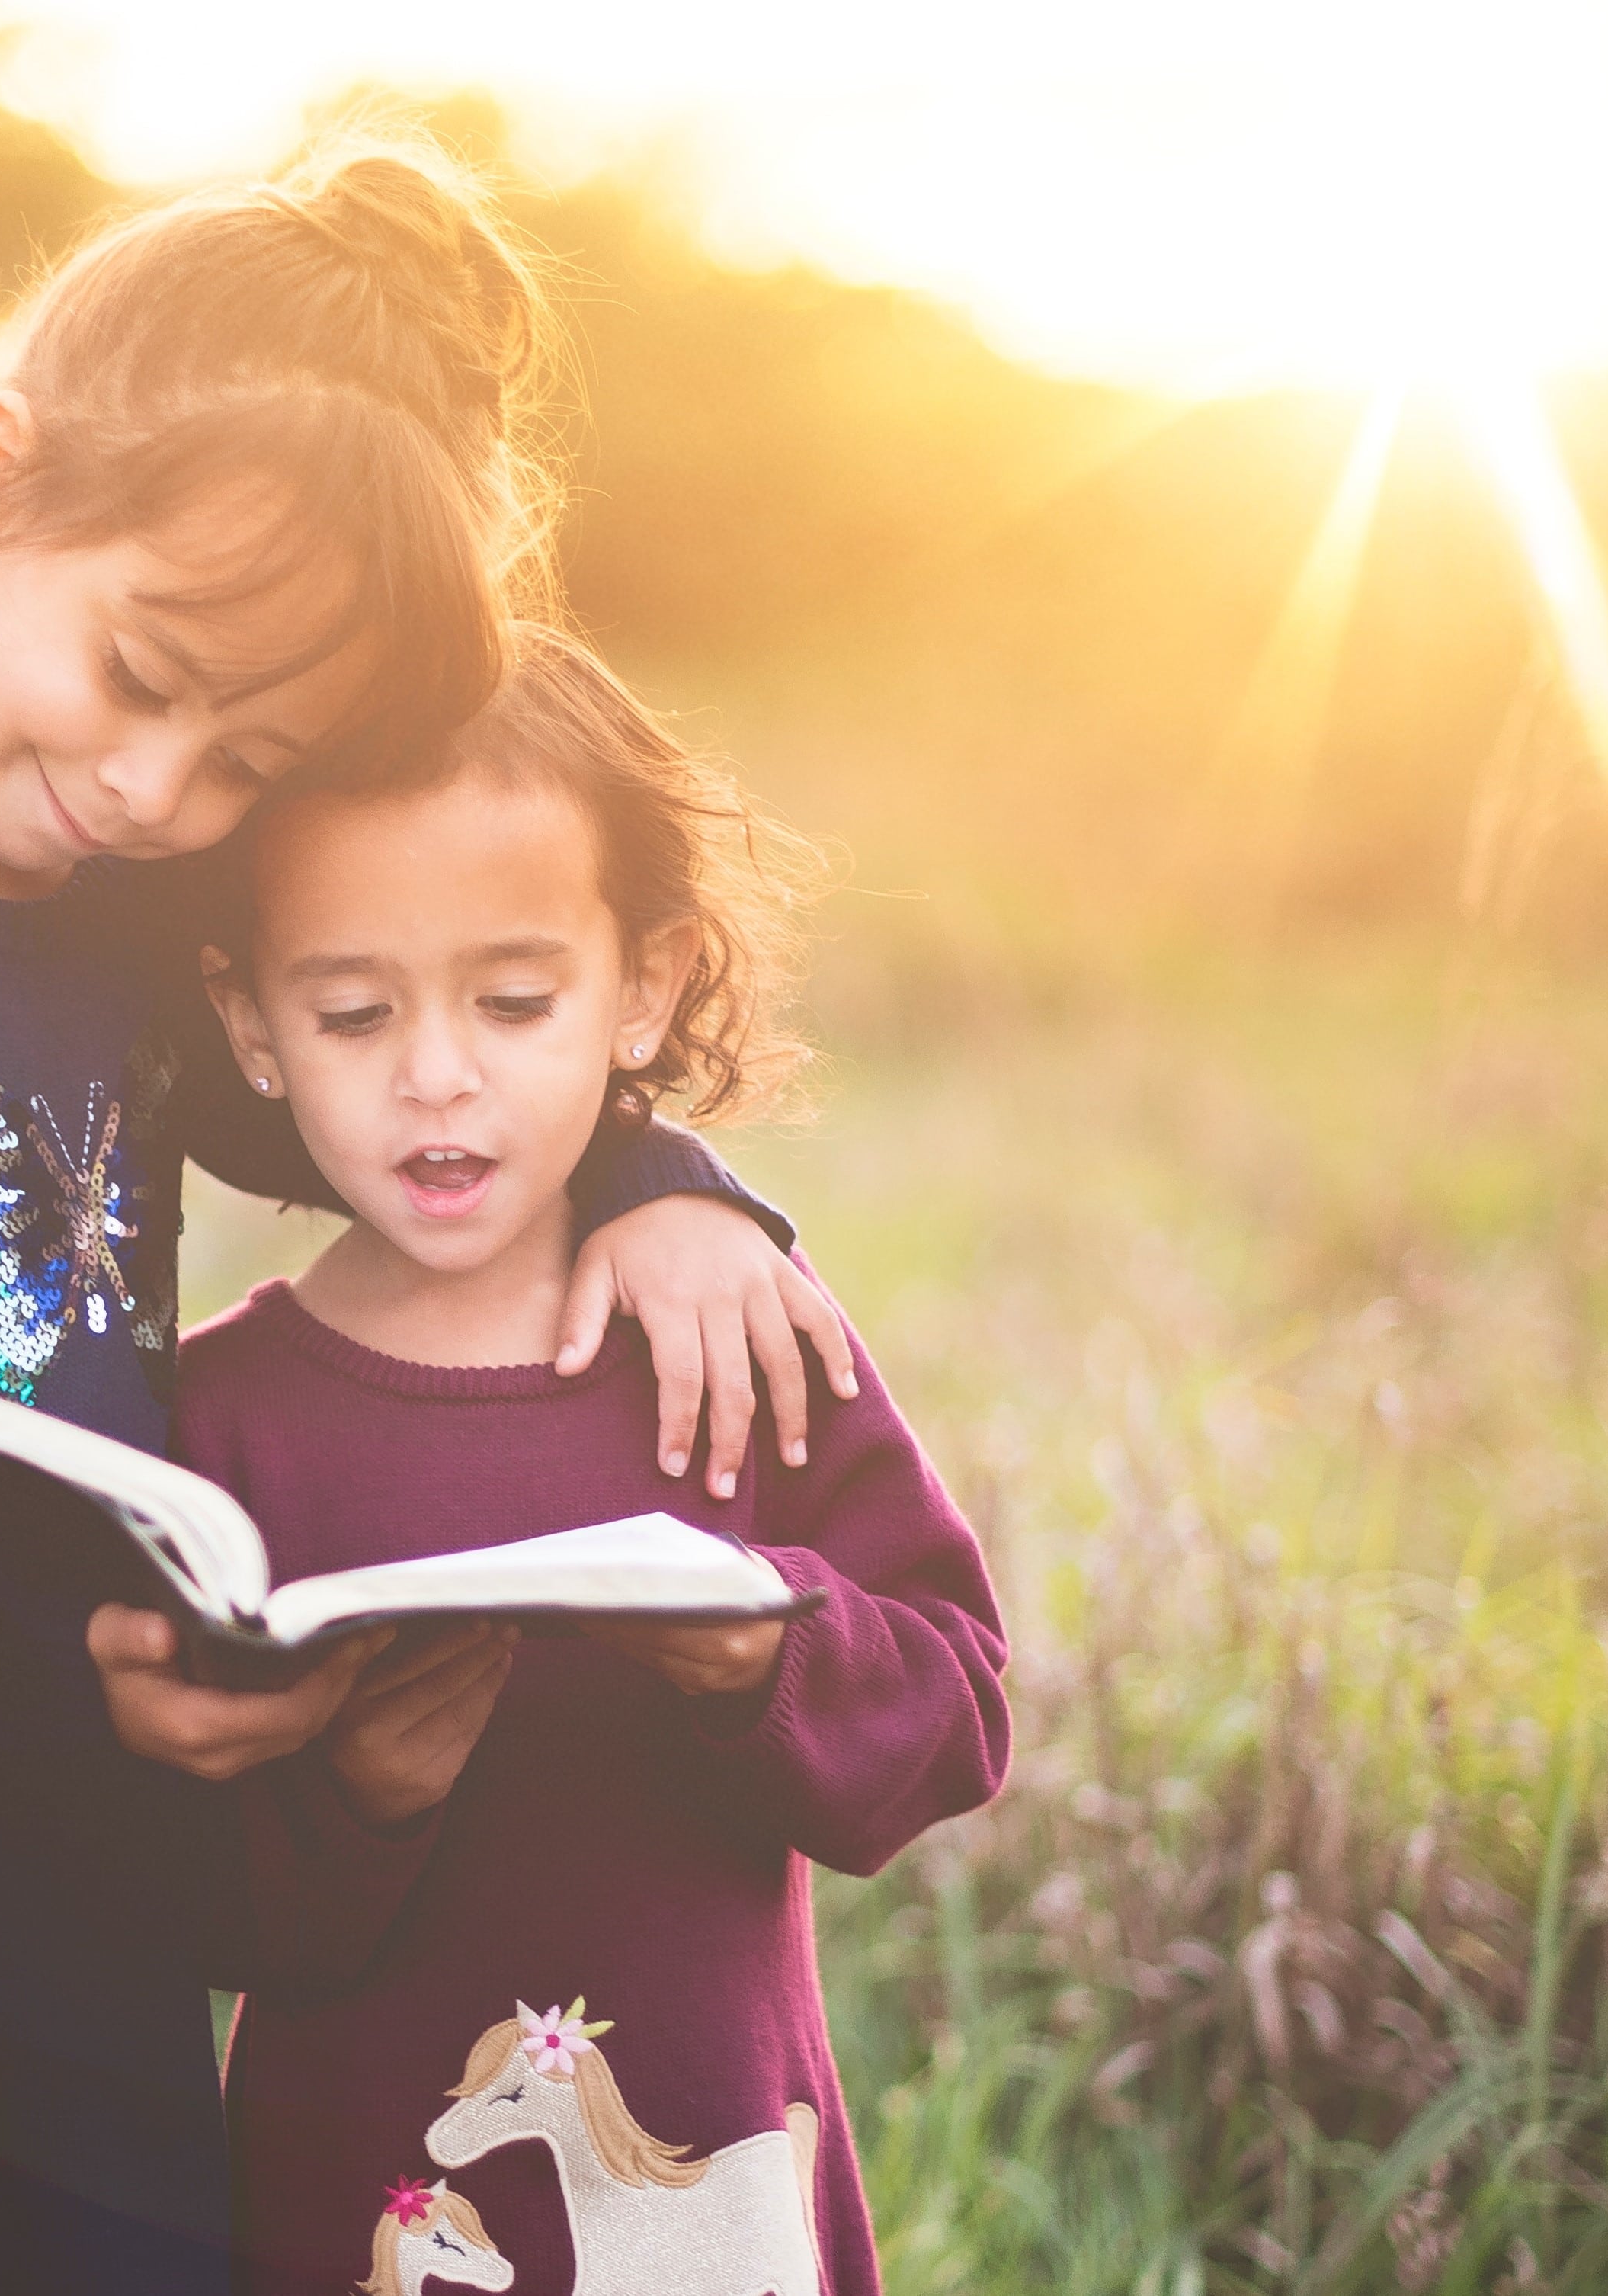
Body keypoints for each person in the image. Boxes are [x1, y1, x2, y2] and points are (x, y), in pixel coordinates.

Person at [0, 146, 854, 2296]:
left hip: (62, 1834)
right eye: (144, 676)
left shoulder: (116, 898)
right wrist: (54, 1680)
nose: (159, 793)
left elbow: (401, 1118)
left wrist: (669, 1185)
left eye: (248, 764)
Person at [181, 627, 1012, 2296]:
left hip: (705, 2199)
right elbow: (169, 1897)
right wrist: (354, 1796)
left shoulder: (732, 1337)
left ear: (643, 986)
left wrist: (761, 1645)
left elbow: (956, 1710)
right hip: (359, 2205)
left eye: (512, 1000)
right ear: (250, 1021)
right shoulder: (218, 1423)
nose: (436, 1073)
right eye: (350, 1009)